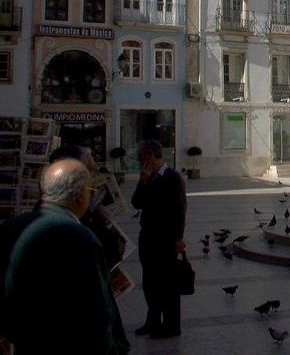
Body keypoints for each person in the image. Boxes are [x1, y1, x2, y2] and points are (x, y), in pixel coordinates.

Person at [0, 159, 130, 354]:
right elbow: (96, 312)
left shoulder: (10, 228)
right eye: (90, 192)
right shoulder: (80, 239)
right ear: (79, 195)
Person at [131, 139, 187, 339]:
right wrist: (143, 181)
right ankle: (152, 320)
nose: (140, 162)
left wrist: (179, 237)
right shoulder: (147, 178)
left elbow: (180, 210)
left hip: (166, 239)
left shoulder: (173, 178)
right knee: (150, 282)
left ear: (152, 156)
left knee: (168, 285)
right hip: (147, 237)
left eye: (143, 159)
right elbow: (136, 203)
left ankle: (172, 325)